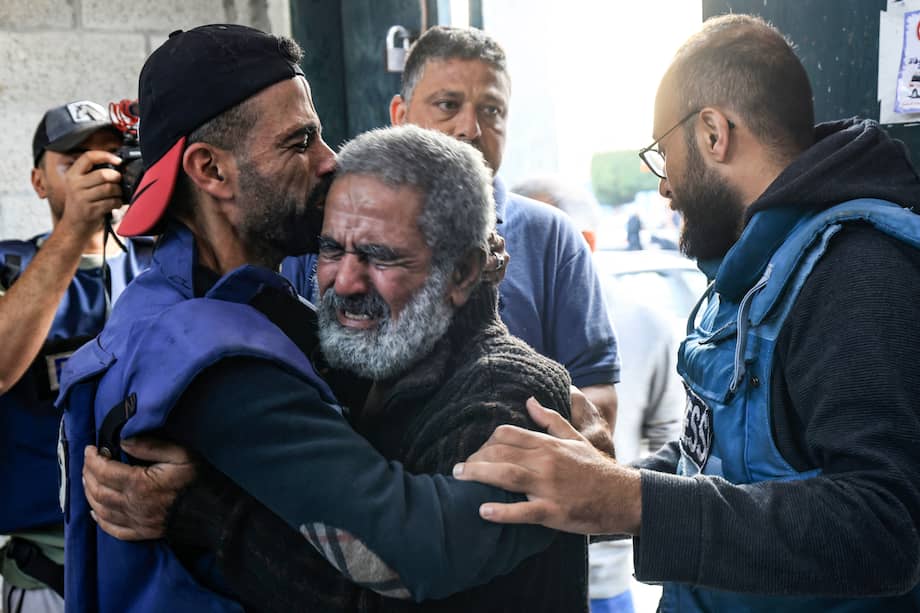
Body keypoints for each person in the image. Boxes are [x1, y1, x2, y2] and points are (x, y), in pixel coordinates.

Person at [56, 24, 574, 613]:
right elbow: (414, 549)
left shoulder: (186, 305)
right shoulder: (212, 356)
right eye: (300, 141)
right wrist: (576, 486)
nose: (329, 159)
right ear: (211, 170)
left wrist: (472, 301)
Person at [455, 14, 920, 610]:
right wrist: (590, 486)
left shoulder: (855, 269)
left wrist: (631, 500)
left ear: (712, 133)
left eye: (662, 153)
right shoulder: (752, 269)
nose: (663, 185)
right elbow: (718, 464)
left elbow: (885, 524)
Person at [286, 26, 620, 429]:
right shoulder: (327, 228)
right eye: (448, 105)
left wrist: (534, 422)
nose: (470, 129)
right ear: (400, 116)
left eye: (492, 110)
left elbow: (597, 398)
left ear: (467, 270)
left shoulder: (551, 237)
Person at [0, 100, 149, 612]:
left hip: (160, 554)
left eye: (111, 155)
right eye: (75, 159)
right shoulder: (9, 266)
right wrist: (73, 231)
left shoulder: (162, 261)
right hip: (51, 566)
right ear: (38, 181)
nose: (98, 170)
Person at [515, 175, 683, 613]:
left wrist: (615, 499)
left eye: (533, 244)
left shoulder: (647, 323)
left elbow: (680, 452)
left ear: (583, 242)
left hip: (604, 576)